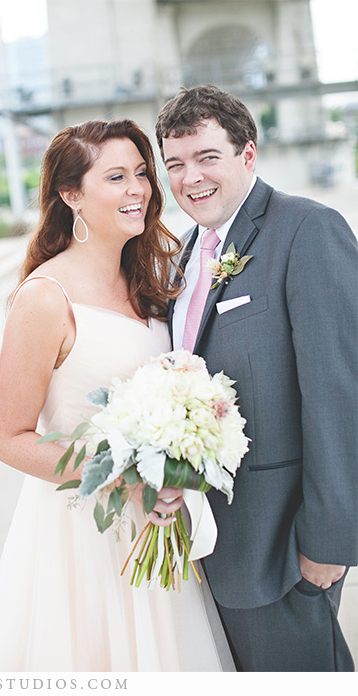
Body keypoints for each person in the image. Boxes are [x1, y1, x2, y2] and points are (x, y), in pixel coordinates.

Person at [0, 120, 234, 671]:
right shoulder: (44, 298)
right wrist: (125, 480)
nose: (139, 188)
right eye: (115, 176)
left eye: (141, 172)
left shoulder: (152, 280)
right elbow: (8, 438)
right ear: (71, 196)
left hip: (163, 517)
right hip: (88, 526)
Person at [156, 84, 358, 672]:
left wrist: (328, 544)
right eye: (176, 164)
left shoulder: (309, 230)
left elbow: (340, 391)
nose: (191, 177)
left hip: (282, 550)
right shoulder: (183, 256)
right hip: (206, 544)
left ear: (247, 155)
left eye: (207, 157)